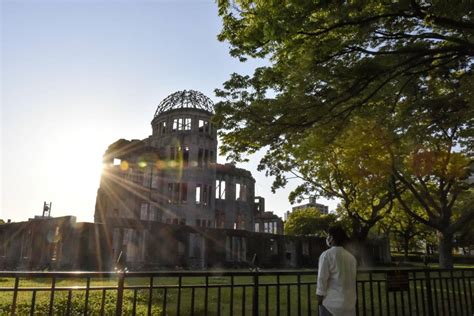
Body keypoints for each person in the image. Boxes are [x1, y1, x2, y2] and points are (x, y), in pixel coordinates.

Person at [316, 225, 357, 316]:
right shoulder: (351, 257)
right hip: (349, 305)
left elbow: (322, 279)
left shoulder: (326, 255)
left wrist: (319, 298)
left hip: (331, 305)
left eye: (328, 235)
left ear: (331, 238)